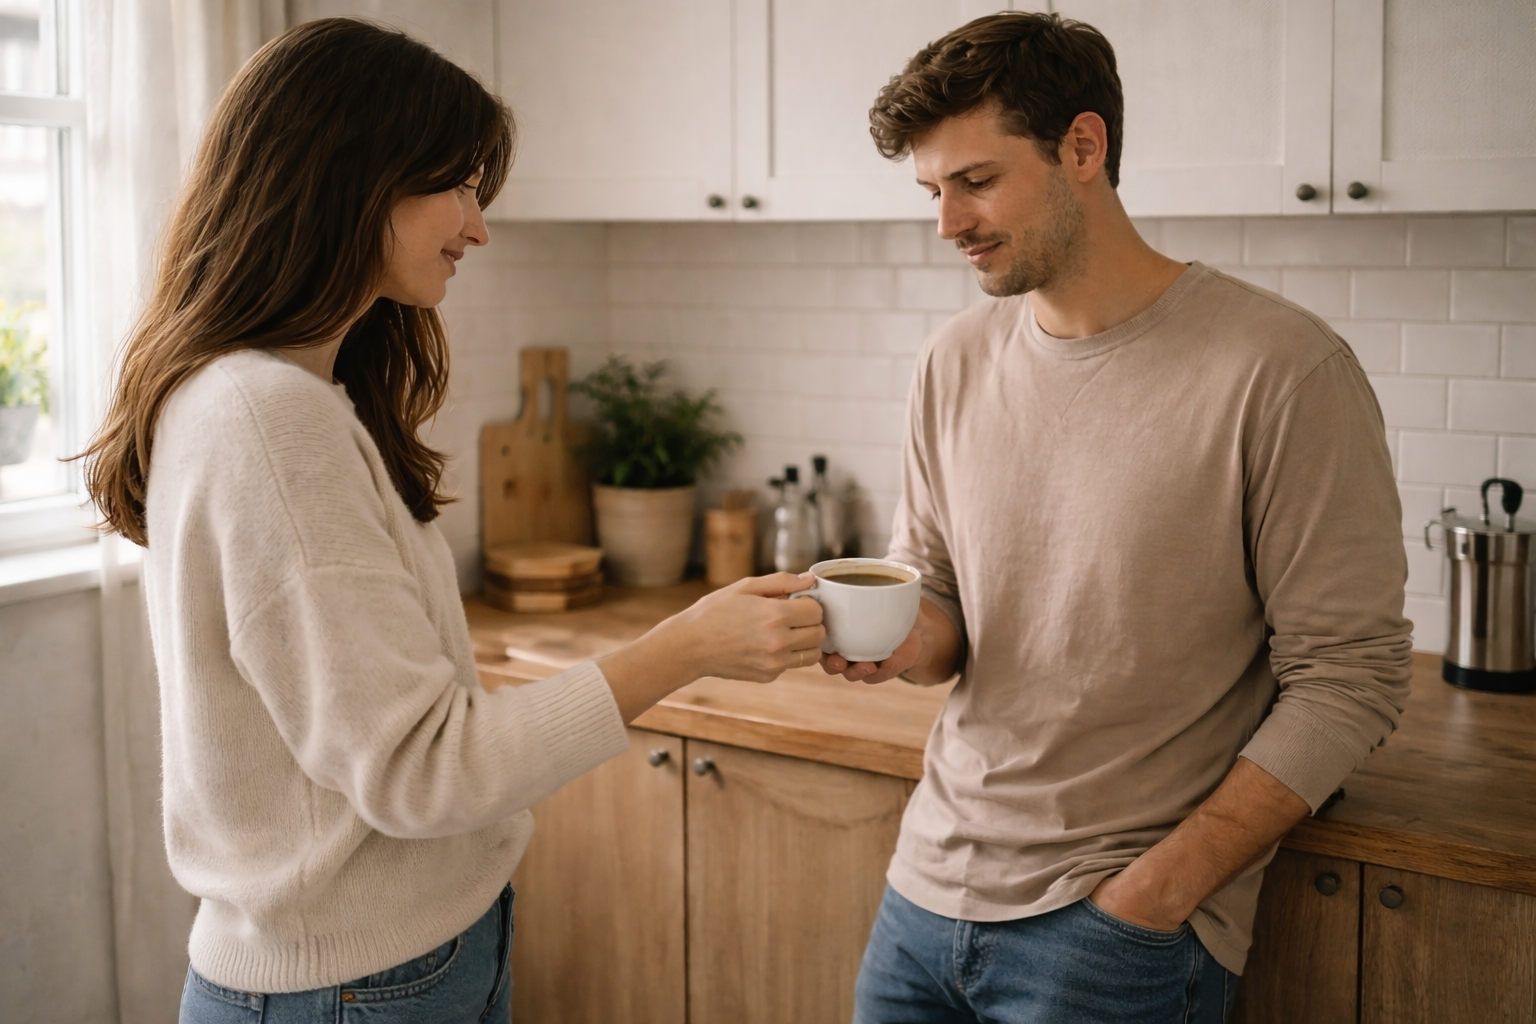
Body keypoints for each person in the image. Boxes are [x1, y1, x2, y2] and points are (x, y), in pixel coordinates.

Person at [79, 19, 825, 1023]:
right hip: (352, 989)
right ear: (351, 178)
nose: (478, 227)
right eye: (457, 187)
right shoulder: (268, 417)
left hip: (381, 969)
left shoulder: (279, 396)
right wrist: (686, 645)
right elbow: (426, 767)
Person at [821, 12, 1413, 1023]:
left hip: (1110, 932)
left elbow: (1352, 678)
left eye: (975, 180)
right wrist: (893, 640)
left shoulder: (1280, 369)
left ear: (1082, 149)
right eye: (932, 191)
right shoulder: (952, 361)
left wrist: (1160, 891)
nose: (947, 225)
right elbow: (944, 600)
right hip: (923, 894)